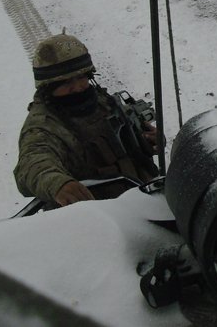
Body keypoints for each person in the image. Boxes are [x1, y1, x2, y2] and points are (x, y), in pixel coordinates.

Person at [14, 32, 159, 207]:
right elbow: (32, 165)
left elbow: (127, 143)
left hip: (146, 197)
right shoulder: (43, 126)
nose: (78, 87)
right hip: (98, 214)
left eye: (81, 77)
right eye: (66, 82)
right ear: (48, 87)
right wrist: (58, 184)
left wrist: (148, 140)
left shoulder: (102, 101)